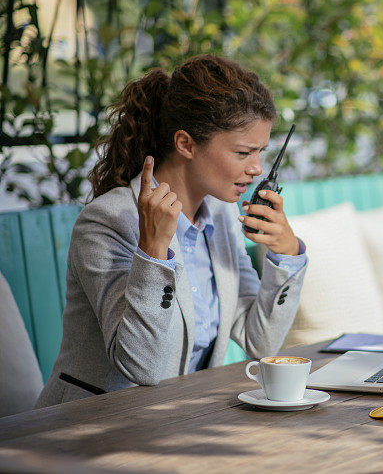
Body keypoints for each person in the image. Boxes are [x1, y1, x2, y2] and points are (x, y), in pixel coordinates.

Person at [36, 55, 307, 407]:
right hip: (91, 428)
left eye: (260, 152)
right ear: (186, 144)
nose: (257, 168)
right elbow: (141, 365)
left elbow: (261, 342)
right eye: (243, 152)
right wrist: (153, 252)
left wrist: (286, 257)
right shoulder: (107, 221)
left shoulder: (221, 218)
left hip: (179, 422)